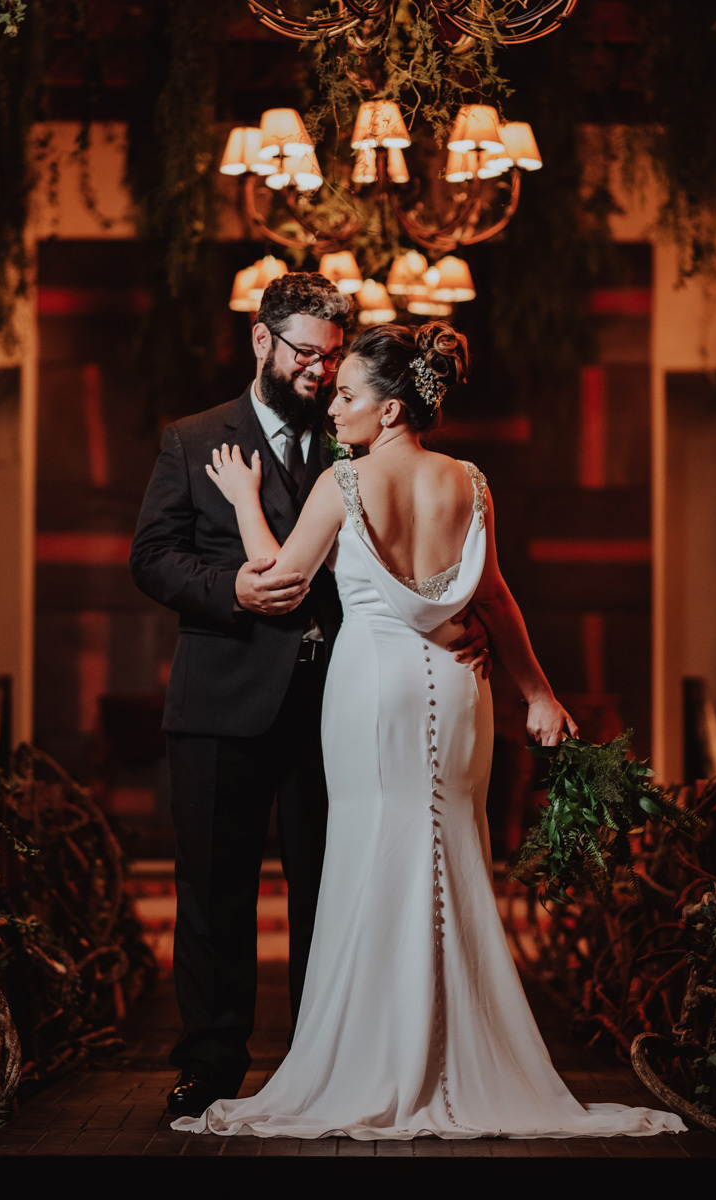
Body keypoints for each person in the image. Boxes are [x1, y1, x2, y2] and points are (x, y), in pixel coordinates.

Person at [171, 320, 685, 1140]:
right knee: (451, 855)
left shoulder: (345, 482)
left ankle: (377, 1057)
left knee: (374, 855)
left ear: (392, 411)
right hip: (462, 686)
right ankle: (453, 1056)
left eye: (347, 396)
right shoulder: (471, 482)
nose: (333, 409)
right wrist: (539, 696)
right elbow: (497, 600)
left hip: (372, 690)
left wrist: (241, 501)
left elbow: (282, 580)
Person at [129, 276, 489, 1118]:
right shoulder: (192, 440)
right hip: (222, 701)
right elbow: (151, 558)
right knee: (214, 891)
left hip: (340, 706)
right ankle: (212, 1062)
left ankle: (321, 1059)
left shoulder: (357, 439)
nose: (322, 374)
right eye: (306, 354)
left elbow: (396, 554)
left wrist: (441, 626)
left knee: (331, 890)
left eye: (333, 359)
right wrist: (232, 593)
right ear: (261, 342)